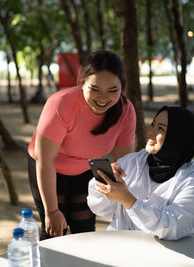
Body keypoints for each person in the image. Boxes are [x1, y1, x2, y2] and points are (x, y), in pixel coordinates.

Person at [27, 50, 136, 240]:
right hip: (49, 168)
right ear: (82, 82)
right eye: (95, 89)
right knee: (55, 231)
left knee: (84, 231)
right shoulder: (60, 103)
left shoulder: (126, 111)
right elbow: (45, 160)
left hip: (86, 169)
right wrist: (51, 211)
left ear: (122, 88)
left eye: (113, 91)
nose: (103, 98)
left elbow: (124, 164)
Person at [87, 106, 194, 240]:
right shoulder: (132, 162)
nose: (151, 132)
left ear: (178, 138)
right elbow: (99, 208)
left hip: (169, 255)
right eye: (153, 124)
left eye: (161, 129)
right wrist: (104, 183)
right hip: (121, 246)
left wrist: (129, 201)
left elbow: (172, 227)